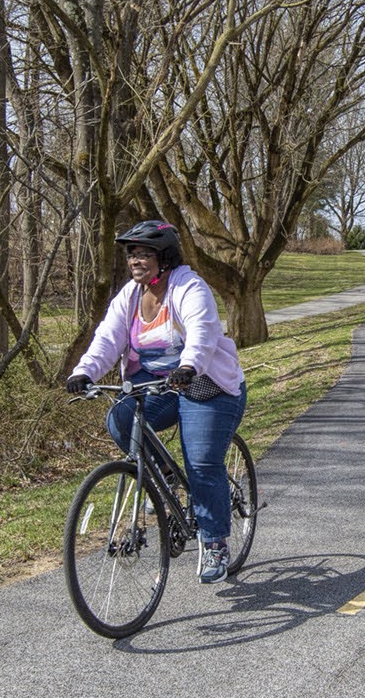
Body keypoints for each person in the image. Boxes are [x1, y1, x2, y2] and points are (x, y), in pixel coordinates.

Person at [65, 219, 246, 583]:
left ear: (164, 257)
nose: (135, 260)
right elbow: (107, 339)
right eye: (132, 254)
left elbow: (202, 332)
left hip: (206, 385)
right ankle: (163, 478)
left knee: (201, 462)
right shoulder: (129, 296)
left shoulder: (189, 287)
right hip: (158, 386)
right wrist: (84, 372)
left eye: (144, 253)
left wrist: (189, 365)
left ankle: (214, 543)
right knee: (120, 418)